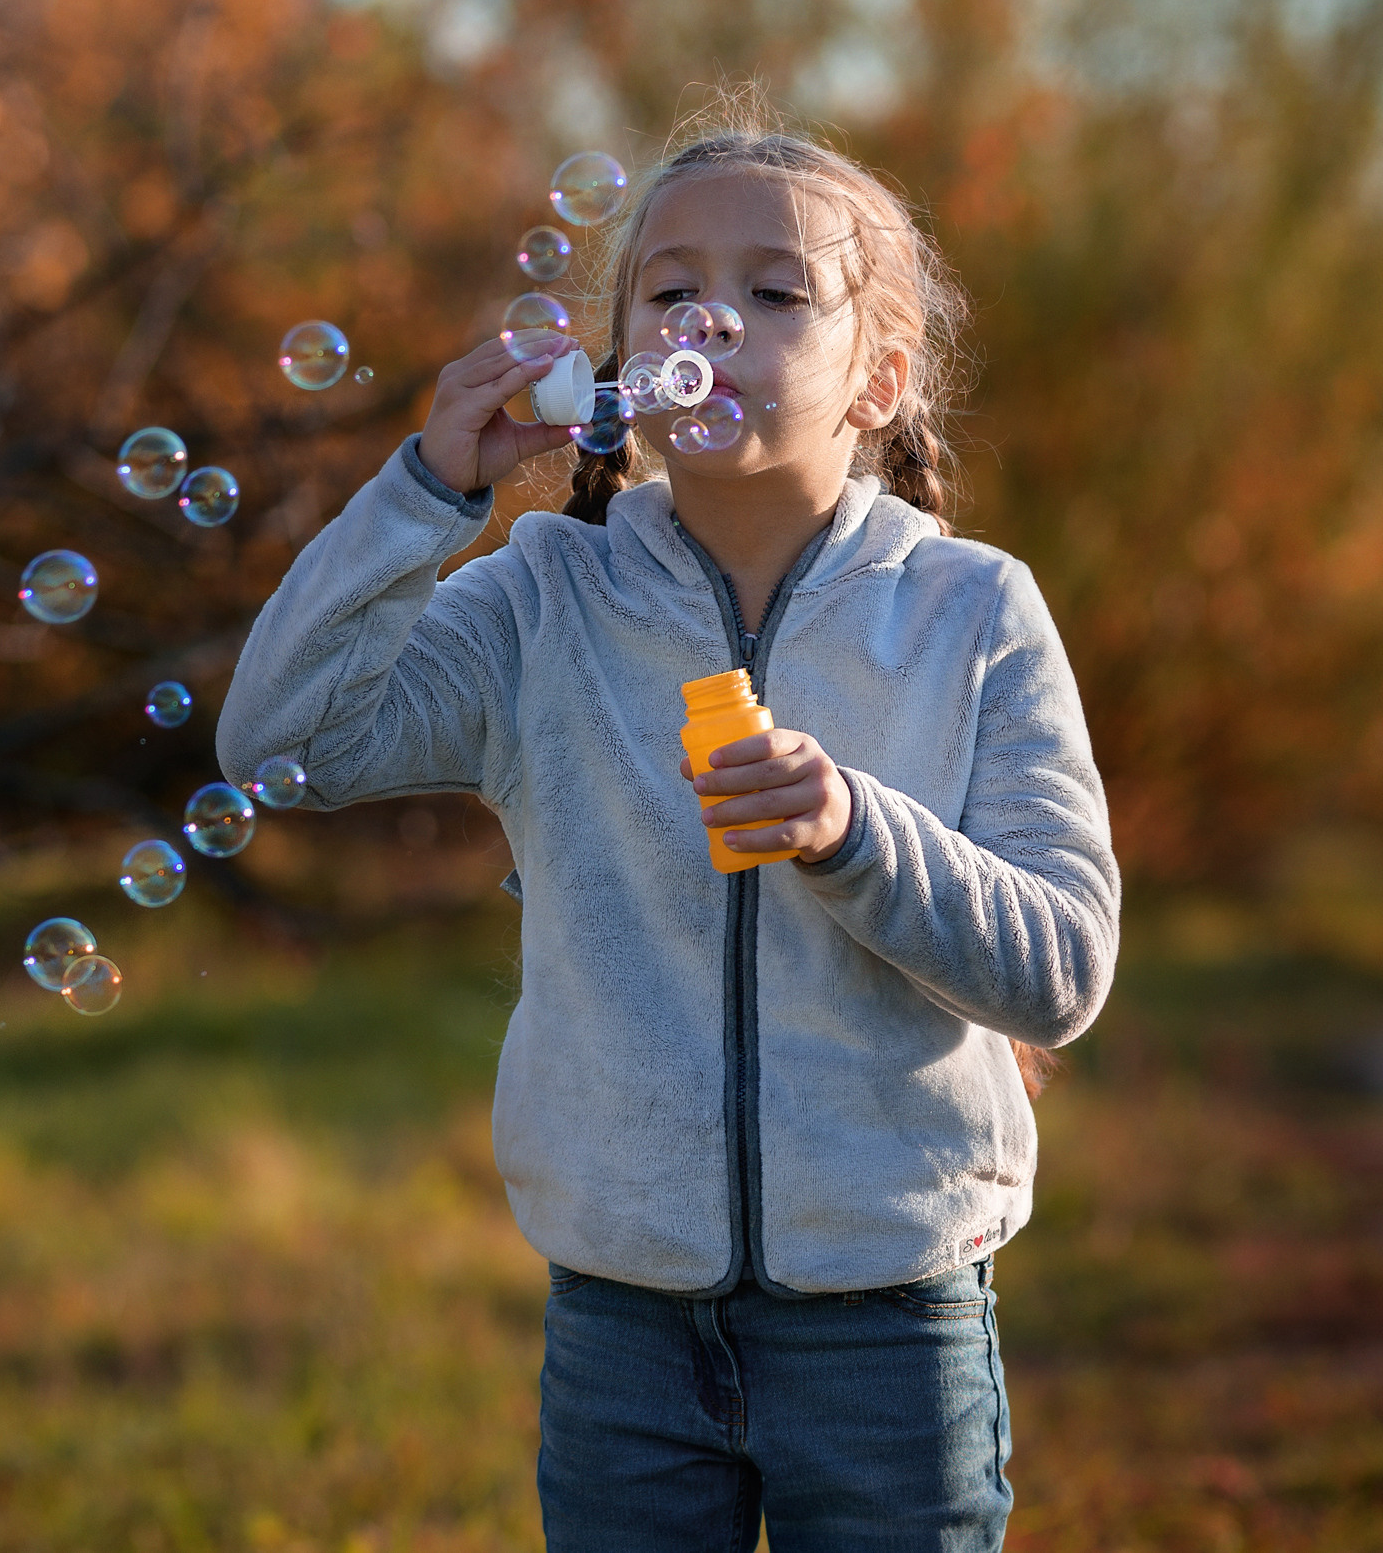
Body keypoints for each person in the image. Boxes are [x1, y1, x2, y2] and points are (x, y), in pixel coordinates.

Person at [215, 104, 1119, 1551]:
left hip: (891, 1324)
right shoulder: (540, 597)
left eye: (774, 290)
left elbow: (1065, 969)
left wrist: (854, 833)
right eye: (672, 286)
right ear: (624, 358)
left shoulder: (971, 613)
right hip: (624, 1326)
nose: (713, 312)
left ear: (878, 378)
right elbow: (280, 744)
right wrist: (429, 493)